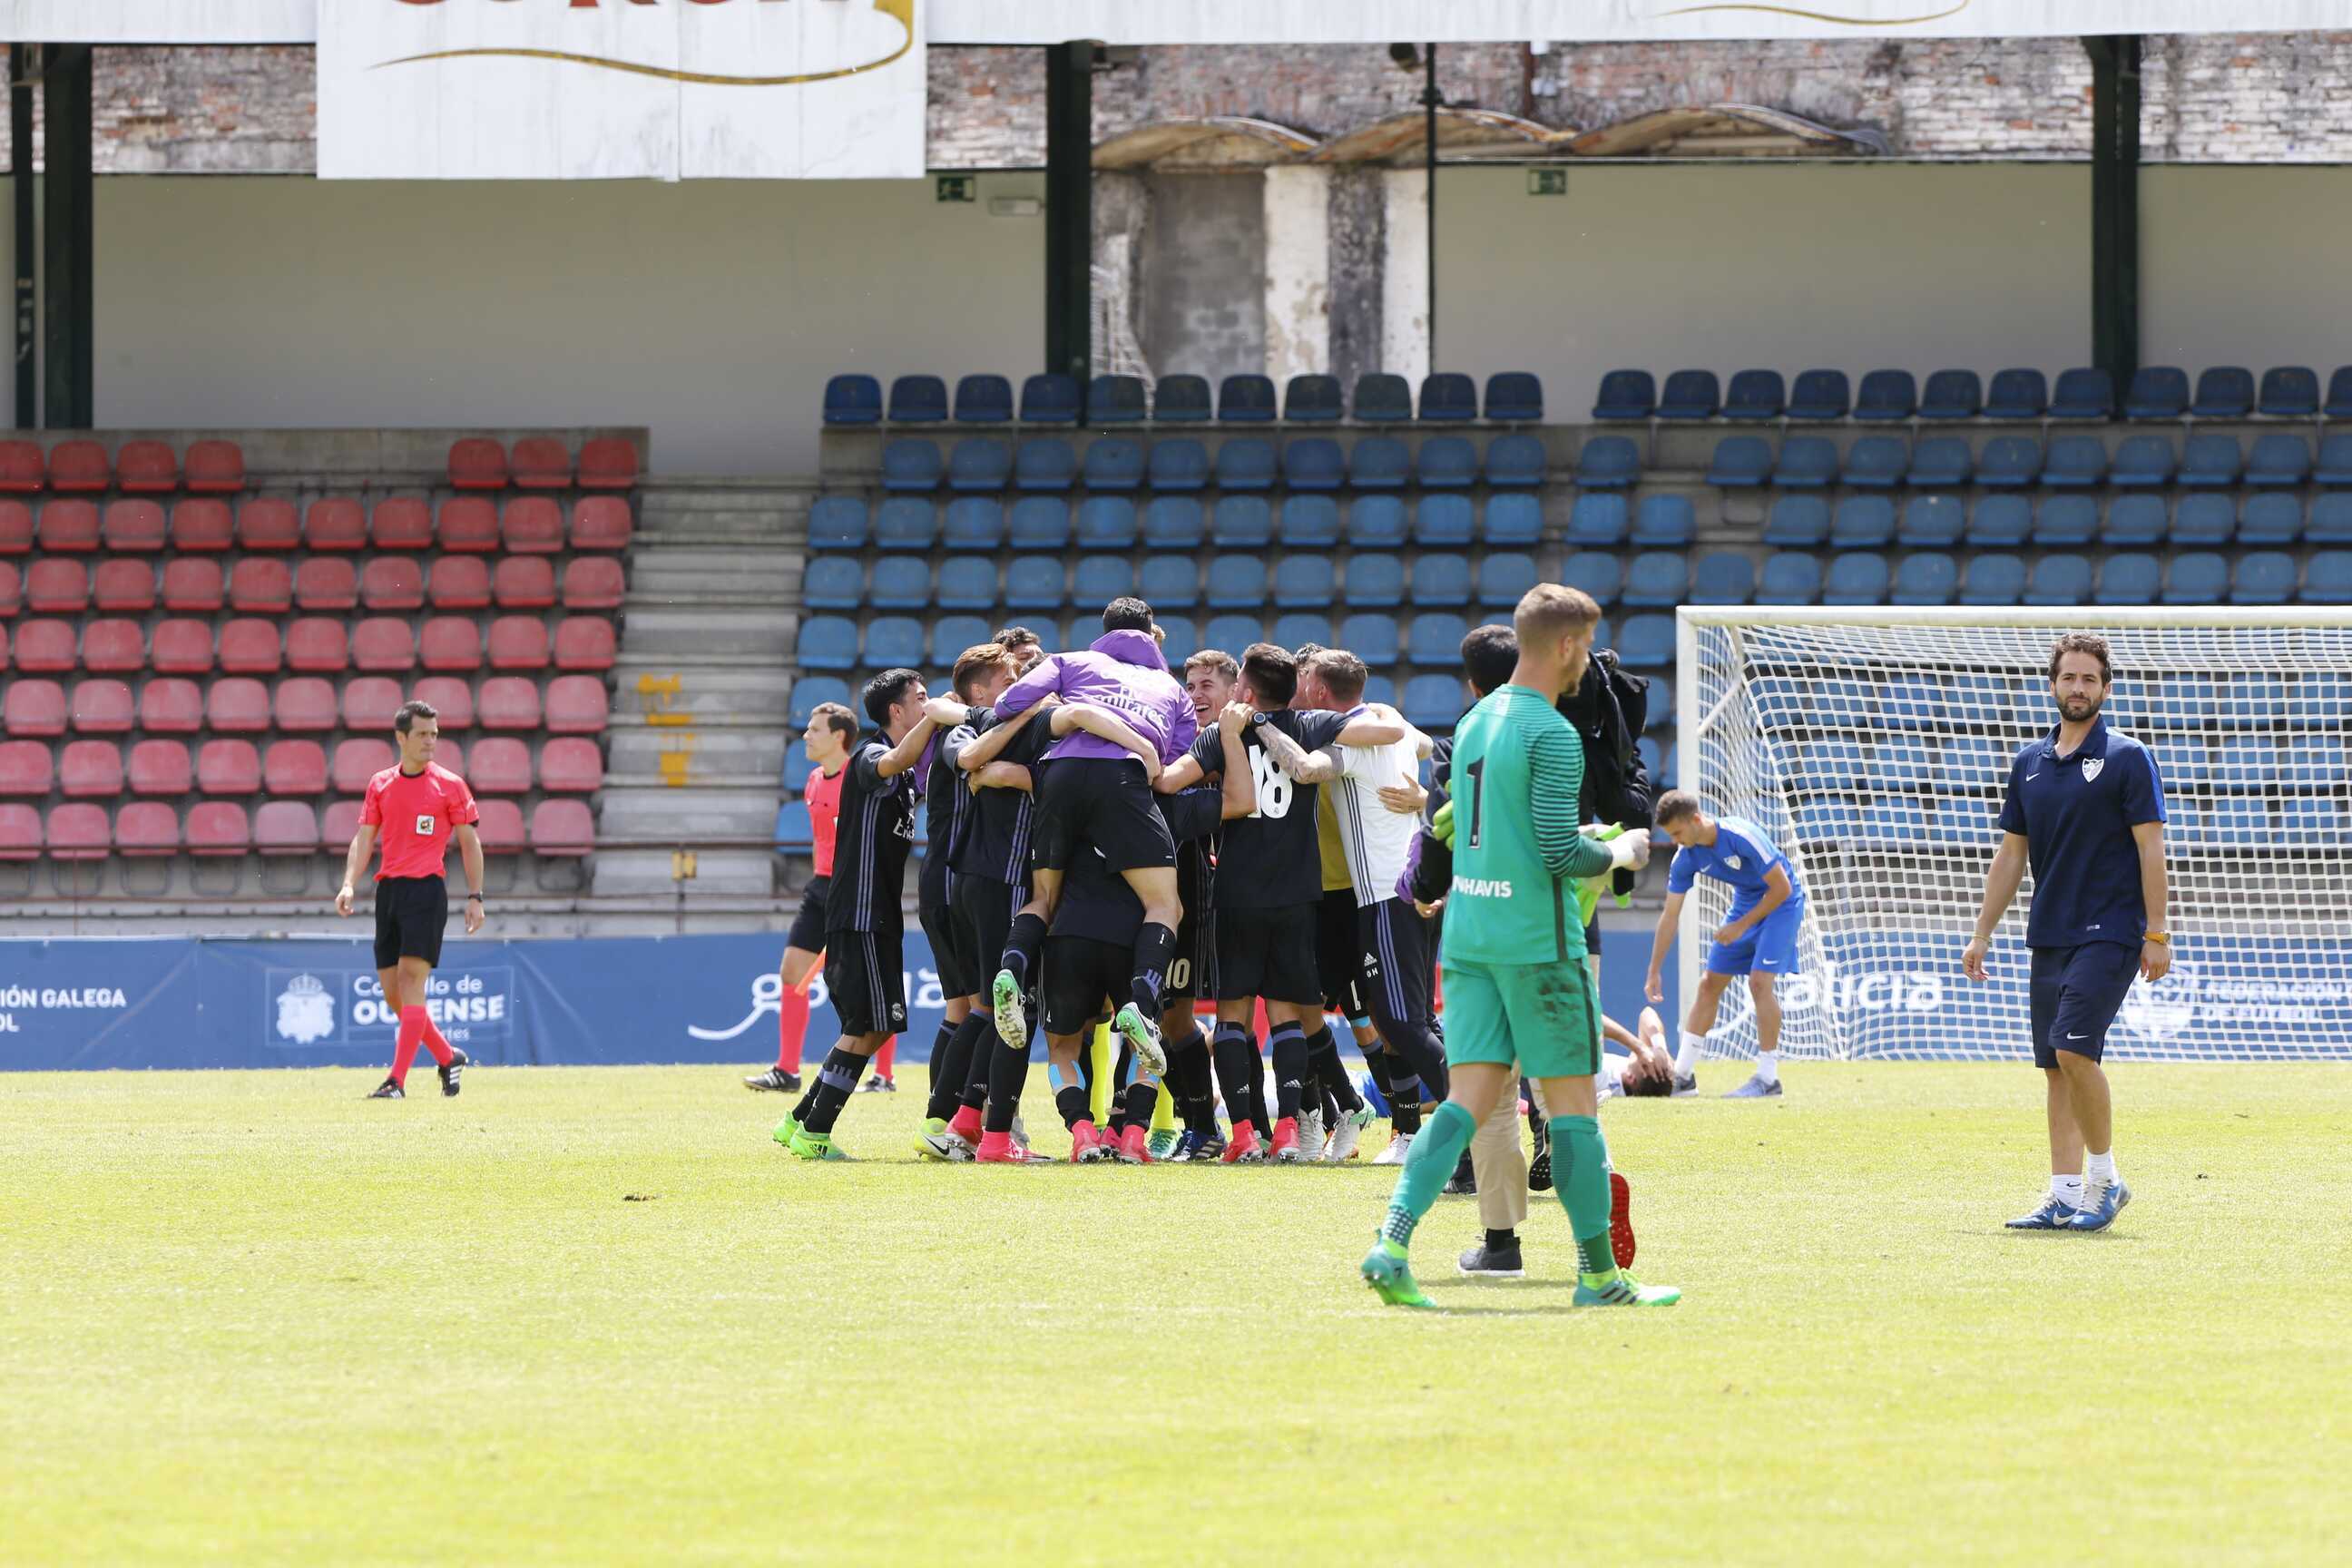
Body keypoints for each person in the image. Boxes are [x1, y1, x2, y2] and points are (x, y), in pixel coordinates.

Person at [1359, 584, 1675, 1310]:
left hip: (1470, 937)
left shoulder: (1474, 722)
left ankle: (1392, 1244)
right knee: (1573, 1112)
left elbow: (1457, 826)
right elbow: (1560, 852)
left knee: (1465, 1103)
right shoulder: (1552, 733)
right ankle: (1600, 1278)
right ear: (1565, 645)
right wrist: (1622, 850)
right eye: (1585, 646)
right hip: (1539, 943)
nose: (1587, 661)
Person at [1154, 643, 1406, 1162]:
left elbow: (1168, 780)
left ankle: (1245, 1134)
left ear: (1245, 690)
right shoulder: (1309, 724)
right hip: (1298, 894)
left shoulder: (1220, 734)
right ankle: (1290, 1131)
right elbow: (1387, 734)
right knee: (1288, 1012)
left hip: (1237, 893)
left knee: (1233, 1014)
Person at [1965, 632, 2167, 1233]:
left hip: (2112, 930)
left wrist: (2157, 932)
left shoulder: (2128, 757)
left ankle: (2106, 1181)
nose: (2078, 688)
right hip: (2049, 931)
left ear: (2107, 688)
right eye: (2069, 677)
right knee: (2056, 1064)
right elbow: (2011, 855)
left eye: (2089, 679)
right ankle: (2064, 1192)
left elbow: (2151, 847)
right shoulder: (2029, 763)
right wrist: (1981, 933)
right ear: (2051, 684)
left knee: (2076, 1050)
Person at [985, 599, 1199, 1074]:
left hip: (1057, 776)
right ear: (1152, 632)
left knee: (1043, 897)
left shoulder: (1070, 661)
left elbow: (1006, 705)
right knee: (1166, 905)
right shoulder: (1172, 689)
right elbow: (1169, 767)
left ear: (1104, 631)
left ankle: (1012, 969)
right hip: (1123, 780)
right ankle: (1141, 1002)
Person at [1037, 704, 1253, 1161]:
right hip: (1135, 942)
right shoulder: (1164, 806)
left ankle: (1083, 1132)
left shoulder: (1068, 794)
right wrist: (1229, 741)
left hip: (1070, 936)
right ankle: (1134, 1135)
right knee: (1145, 1039)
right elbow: (1239, 801)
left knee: (1063, 1048)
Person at [773, 669, 938, 1161]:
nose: (928, 704)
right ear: (897, 711)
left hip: (879, 913)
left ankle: (799, 1118)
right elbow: (901, 757)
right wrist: (939, 717)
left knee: (876, 1026)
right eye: (921, 699)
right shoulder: (870, 755)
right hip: (861, 911)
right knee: (866, 1025)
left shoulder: (903, 770)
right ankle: (815, 1132)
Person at [1299, 648, 1439, 1165]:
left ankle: (1468, 1117)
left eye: (1305, 678)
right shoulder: (1383, 722)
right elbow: (1423, 743)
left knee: (1396, 1021)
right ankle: (1451, 1116)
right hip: (1390, 890)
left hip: (1378, 896)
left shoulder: (1349, 736)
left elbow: (1306, 769)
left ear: (1318, 687)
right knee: (1400, 1017)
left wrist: (1259, 727)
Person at [339, 700, 486, 1100]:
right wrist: (349, 883)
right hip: (389, 892)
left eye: (434, 734)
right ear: (401, 738)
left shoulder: (450, 785)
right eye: (422, 734)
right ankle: (448, 1056)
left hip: (426, 891)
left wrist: (475, 896)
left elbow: (470, 844)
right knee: (393, 994)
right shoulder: (380, 784)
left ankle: (397, 1081)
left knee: (410, 982)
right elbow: (364, 838)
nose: (430, 741)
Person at [910, 643, 1023, 1157]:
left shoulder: (963, 722)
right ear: (979, 691)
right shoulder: (964, 733)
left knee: (968, 1007)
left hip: (956, 878)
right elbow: (973, 759)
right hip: (958, 879)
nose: (1020, 686)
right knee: (977, 1007)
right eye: (1010, 678)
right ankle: (946, 1120)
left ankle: (952, 1120)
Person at [1644, 792, 1807, 1099]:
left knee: (1759, 983)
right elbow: (1670, 915)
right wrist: (1654, 970)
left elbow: (1782, 888)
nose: (1675, 841)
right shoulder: (1685, 857)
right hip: (1745, 905)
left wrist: (1741, 926)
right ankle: (1683, 1076)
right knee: (1709, 985)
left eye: (1677, 832)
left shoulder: (1742, 836)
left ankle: (1768, 1079)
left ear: (1696, 819)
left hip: (1782, 904)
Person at [747, 701, 858, 1093]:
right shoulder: (812, 779)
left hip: (852, 890)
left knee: (862, 984)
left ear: (838, 736)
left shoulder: (857, 779)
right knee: (791, 975)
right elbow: (821, 840)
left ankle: (884, 1075)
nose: (806, 736)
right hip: (820, 888)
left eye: (815, 730)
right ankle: (787, 1071)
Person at [1162, 650, 1242, 1161]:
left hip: (1205, 897)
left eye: (1207, 685)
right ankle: (1198, 1122)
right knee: (1164, 1018)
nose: (1196, 695)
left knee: (1182, 1017)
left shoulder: (1231, 743)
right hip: (1162, 895)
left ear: (1233, 691)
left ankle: (1220, 1126)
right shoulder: (1177, 741)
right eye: (1190, 685)